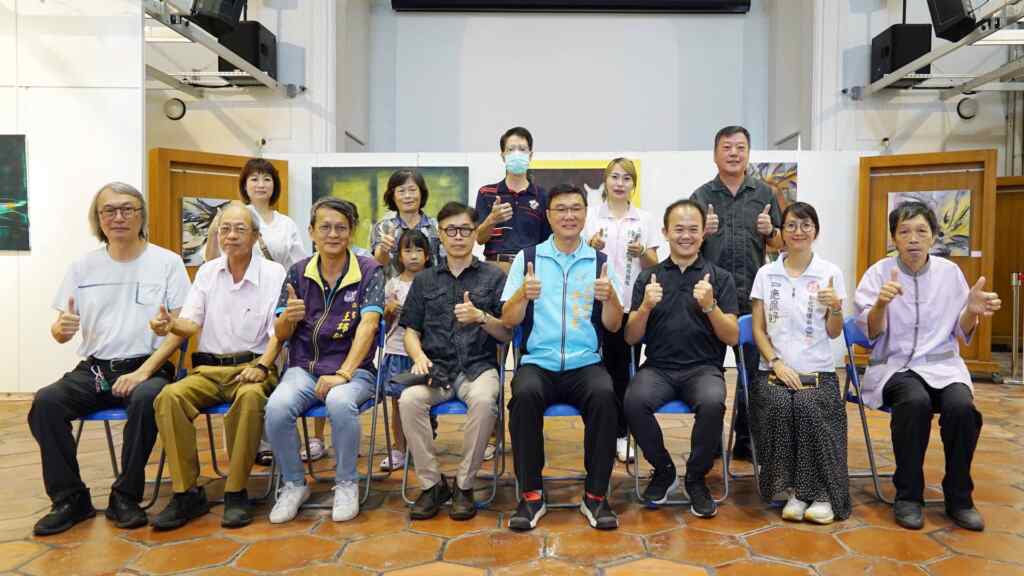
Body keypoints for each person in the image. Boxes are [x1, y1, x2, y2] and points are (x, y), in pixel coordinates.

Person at [28, 183, 191, 536]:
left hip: (149, 365)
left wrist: (144, 371)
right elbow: (60, 330)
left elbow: (180, 330)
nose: (118, 217)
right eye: (109, 211)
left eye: (127, 209)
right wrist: (62, 329)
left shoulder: (167, 262)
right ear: (98, 219)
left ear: (141, 215)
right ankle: (70, 499)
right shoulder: (82, 267)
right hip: (96, 368)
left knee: (148, 399)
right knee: (46, 403)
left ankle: (126, 495)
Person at [854, 201, 999, 532]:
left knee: (962, 408)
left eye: (921, 231)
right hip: (896, 366)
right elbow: (870, 333)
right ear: (894, 238)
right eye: (904, 232)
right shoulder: (878, 273)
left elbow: (961, 331)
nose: (913, 239)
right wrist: (881, 304)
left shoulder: (950, 274)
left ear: (933, 236)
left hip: (943, 366)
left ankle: (959, 497)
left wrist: (972, 310)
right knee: (914, 402)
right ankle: (908, 495)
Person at [151, 202, 285, 531]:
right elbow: (190, 325)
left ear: (255, 235)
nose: (231, 235)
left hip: (253, 367)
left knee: (251, 398)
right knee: (168, 397)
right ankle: (186, 493)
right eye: (225, 229)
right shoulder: (209, 271)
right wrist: (169, 324)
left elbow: (278, 334)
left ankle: (237, 490)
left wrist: (263, 367)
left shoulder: (273, 273)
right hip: (208, 371)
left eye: (240, 229)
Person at [501, 184, 623, 532]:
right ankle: (531, 495)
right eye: (561, 209)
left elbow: (613, 326)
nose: (569, 215)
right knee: (523, 396)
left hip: (586, 363)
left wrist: (611, 298)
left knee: (604, 396)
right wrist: (523, 295)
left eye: (576, 208)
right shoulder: (527, 259)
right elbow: (508, 321)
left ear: (585, 214)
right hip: (538, 362)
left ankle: (596, 497)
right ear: (549, 216)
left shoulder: (599, 263)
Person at [265, 197, 385, 524]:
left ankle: (346, 482)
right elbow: (279, 331)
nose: (333, 234)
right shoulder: (298, 272)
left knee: (339, 402)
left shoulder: (370, 271)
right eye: (325, 227)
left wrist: (344, 373)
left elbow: (369, 325)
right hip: (304, 368)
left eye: (341, 228)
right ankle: (293, 483)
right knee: (276, 408)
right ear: (312, 232)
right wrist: (288, 318)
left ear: (352, 231)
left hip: (355, 370)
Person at [624, 200, 739, 519]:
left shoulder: (720, 278)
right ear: (665, 232)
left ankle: (696, 477)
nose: (685, 236)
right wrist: (645, 308)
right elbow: (631, 337)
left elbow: (731, 336)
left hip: (704, 369)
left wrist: (710, 306)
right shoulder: (649, 277)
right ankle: (663, 470)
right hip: (658, 368)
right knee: (633, 401)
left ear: (703, 233)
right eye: (678, 229)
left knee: (713, 401)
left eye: (692, 229)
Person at [396, 202, 510, 521]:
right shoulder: (425, 280)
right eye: (450, 230)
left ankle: (464, 484)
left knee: (486, 400)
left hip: (478, 368)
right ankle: (432, 485)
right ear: (441, 236)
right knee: (409, 401)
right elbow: (410, 331)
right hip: (436, 371)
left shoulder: (493, 277)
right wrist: (417, 357)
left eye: (465, 230)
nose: (458, 237)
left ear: (476, 234)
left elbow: (506, 334)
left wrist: (481, 317)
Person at [203, 158, 312, 464]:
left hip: (277, 298)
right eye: (254, 179)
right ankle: (246, 446)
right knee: (238, 378)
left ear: (275, 185)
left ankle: (276, 440)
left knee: (274, 373)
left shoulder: (286, 223)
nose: (261, 184)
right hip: (239, 300)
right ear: (245, 184)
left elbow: (299, 264)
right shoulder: (230, 216)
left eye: (267, 179)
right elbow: (212, 259)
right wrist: (214, 231)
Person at [749, 202, 850, 524]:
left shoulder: (830, 273)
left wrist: (834, 308)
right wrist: (776, 362)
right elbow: (758, 330)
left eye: (806, 225)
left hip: (818, 371)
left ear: (815, 231)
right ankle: (794, 489)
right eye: (791, 225)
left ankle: (817, 492)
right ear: (781, 232)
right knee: (780, 404)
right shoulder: (766, 274)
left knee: (807, 407)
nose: (798, 232)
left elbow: (835, 332)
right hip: (774, 371)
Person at [691, 125, 783, 461]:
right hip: (710, 299)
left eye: (740, 147)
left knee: (753, 376)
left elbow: (780, 243)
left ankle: (747, 440)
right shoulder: (701, 197)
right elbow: (685, 244)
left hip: (753, 298)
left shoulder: (764, 194)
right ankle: (711, 442)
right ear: (715, 154)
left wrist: (769, 230)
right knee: (708, 373)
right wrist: (704, 234)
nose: (733, 153)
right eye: (727, 147)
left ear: (748, 153)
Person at [583, 158, 661, 463]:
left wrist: (642, 251)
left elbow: (656, 264)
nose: (619, 183)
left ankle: (621, 434)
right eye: (614, 177)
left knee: (622, 371)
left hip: (630, 305)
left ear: (633, 184)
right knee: (595, 372)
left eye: (626, 178)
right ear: (605, 181)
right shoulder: (590, 217)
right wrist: (589, 245)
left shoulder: (644, 219)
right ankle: (601, 430)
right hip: (594, 306)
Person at [378, 230, 433, 472]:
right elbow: (385, 325)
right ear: (399, 256)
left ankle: (422, 446)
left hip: (426, 353)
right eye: (407, 250)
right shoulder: (393, 284)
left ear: (428, 255)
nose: (413, 256)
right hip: (397, 351)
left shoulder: (433, 281)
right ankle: (399, 448)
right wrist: (389, 310)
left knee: (424, 403)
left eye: (418, 250)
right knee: (398, 405)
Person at [475, 126, 550, 273]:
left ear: (530, 155)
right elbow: (479, 238)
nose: (517, 154)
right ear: (503, 155)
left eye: (522, 149)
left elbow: (547, 242)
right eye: (511, 149)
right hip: (494, 269)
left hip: (531, 269)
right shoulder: (486, 193)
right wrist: (492, 219)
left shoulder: (542, 196)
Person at [370, 168, 443, 280]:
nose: (407, 196)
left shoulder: (436, 227)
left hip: (431, 293)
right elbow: (379, 264)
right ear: (393, 196)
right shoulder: (383, 227)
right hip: (392, 294)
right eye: (401, 191)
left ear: (421, 193)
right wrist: (383, 250)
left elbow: (444, 263)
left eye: (412, 190)